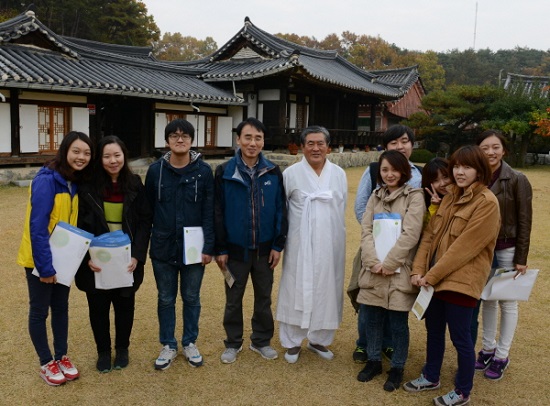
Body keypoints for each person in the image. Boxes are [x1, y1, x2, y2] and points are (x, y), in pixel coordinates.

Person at [403, 145, 500, 406]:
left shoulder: (487, 203)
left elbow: (463, 249)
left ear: (480, 170)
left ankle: (462, 391)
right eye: (456, 166)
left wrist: (430, 276)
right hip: (434, 279)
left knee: (461, 338)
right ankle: (431, 375)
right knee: (433, 330)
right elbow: (429, 236)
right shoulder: (449, 197)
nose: (459, 172)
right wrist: (418, 269)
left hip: (461, 281)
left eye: (466, 167)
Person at [17, 131, 92, 386]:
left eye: (86, 153)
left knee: (61, 308)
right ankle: (46, 361)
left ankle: (62, 356)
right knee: (39, 311)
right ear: (65, 151)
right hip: (40, 261)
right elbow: (37, 228)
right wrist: (45, 267)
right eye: (76, 151)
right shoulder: (47, 180)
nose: (81, 157)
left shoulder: (75, 182)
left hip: (64, 259)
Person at [75, 136, 152, 372]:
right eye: (107, 156)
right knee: (98, 307)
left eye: (117, 155)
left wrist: (137, 256)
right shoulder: (87, 187)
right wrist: (86, 256)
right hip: (97, 259)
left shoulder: (135, 184)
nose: (112, 160)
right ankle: (103, 352)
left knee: (125, 305)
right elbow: (79, 224)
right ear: (100, 159)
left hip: (126, 260)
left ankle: (122, 349)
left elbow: (144, 222)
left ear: (124, 156)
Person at [215, 117, 287, 364]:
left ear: (263, 141)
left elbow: (280, 210)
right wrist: (220, 248)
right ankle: (233, 343)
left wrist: (278, 245)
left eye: (258, 138)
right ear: (238, 139)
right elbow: (217, 212)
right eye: (248, 137)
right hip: (234, 252)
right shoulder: (224, 171)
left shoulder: (273, 172)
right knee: (233, 299)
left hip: (265, 251)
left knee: (264, 298)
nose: (252, 143)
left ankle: (261, 341)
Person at [145, 119, 215, 370]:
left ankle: (189, 342)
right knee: (165, 297)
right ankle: (168, 344)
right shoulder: (156, 171)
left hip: (194, 247)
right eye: (174, 135)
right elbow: (148, 210)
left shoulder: (204, 171)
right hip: (163, 246)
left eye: (185, 135)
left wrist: (209, 247)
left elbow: (209, 212)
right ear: (167, 141)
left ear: (192, 140)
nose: (180, 139)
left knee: (192, 296)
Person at [350, 124, 423, 363]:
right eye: (394, 142)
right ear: (386, 146)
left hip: (403, 252)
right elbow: (362, 208)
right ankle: (364, 344)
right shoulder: (373, 170)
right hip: (373, 248)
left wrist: (395, 252)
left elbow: (416, 223)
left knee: (396, 300)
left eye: (404, 141)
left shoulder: (419, 176)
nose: (400, 146)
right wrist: (375, 242)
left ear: (412, 144)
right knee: (368, 296)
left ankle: (389, 345)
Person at [276, 125, 347, 364]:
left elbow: (341, 207)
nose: (315, 148)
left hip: (330, 240)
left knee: (327, 286)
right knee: (295, 284)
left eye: (320, 144)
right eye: (310, 143)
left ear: (328, 146)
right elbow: (282, 209)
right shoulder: (291, 173)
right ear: (302, 147)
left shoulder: (338, 174)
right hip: (299, 241)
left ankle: (319, 338)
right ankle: (292, 341)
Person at [473, 130, 532, 380]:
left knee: (507, 302)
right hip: (481, 250)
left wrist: (521, 257)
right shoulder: (475, 178)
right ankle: (487, 348)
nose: (490, 152)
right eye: (485, 148)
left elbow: (524, 221)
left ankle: (502, 355)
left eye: (495, 147)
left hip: (506, 249)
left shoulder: (517, 179)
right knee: (487, 298)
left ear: (504, 150)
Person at [421, 157, 451, 226]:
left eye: (445, 177)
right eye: (435, 180)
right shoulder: (425, 202)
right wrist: (435, 206)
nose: (442, 184)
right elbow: (429, 229)